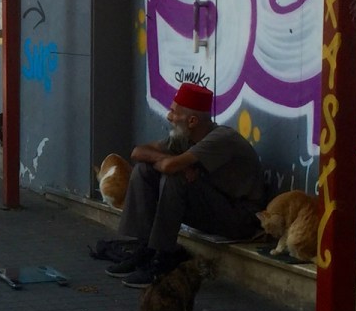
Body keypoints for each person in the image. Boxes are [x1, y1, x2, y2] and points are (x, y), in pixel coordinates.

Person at [106, 82, 265, 288]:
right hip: (214, 208)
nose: (169, 117)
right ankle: (145, 249)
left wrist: (177, 166)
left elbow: (170, 166)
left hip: (240, 219)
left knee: (174, 177)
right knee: (144, 170)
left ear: (192, 120)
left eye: (173, 112)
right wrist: (176, 165)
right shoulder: (184, 138)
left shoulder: (221, 138)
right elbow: (138, 152)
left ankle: (163, 260)